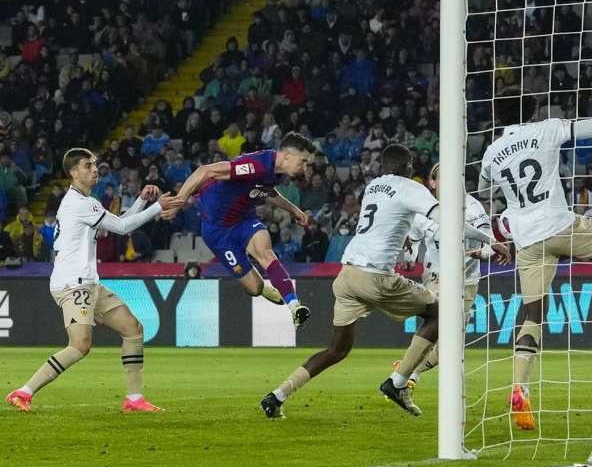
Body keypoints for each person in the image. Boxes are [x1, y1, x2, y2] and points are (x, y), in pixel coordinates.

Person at [260, 144, 495, 419]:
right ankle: (398, 382)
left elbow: (395, 222)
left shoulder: (374, 186)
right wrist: (491, 241)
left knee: (336, 349)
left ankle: (277, 396)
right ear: (408, 166)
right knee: (443, 312)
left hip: (347, 275)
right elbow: (448, 221)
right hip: (376, 277)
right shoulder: (411, 188)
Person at [478, 101, 592, 431]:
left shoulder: (492, 151)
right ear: (531, 112)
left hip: (527, 242)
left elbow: (483, 191)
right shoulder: (547, 128)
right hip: (560, 225)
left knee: (533, 315)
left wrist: (507, 216)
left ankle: (520, 388)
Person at [6, 148, 181, 413]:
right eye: (88, 165)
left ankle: (134, 400)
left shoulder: (84, 201)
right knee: (80, 346)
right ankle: (23, 392)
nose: (95, 169)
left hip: (89, 283)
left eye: (95, 164)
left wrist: (141, 202)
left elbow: (116, 224)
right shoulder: (79, 203)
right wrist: (158, 207)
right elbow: (123, 228)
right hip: (73, 284)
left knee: (133, 329)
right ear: (74, 172)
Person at [164, 132, 315, 326]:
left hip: (244, 220)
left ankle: (295, 306)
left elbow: (267, 190)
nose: (305, 167)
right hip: (217, 231)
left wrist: (294, 210)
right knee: (254, 288)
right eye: (302, 161)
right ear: (287, 155)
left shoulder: (276, 172)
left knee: (266, 254)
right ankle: (263, 287)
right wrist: (179, 202)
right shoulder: (256, 166)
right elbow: (204, 171)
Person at [392, 162, 511, 389]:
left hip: (466, 281)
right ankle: (403, 378)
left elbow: (488, 244)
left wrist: (482, 253)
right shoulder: (424, 209)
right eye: (442, 179)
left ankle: (408, 373)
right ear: (433, 182)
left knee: (449, 349)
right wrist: (409, 260)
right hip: (436, 276)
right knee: (441, 321)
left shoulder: (474, 209)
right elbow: (414, 240)